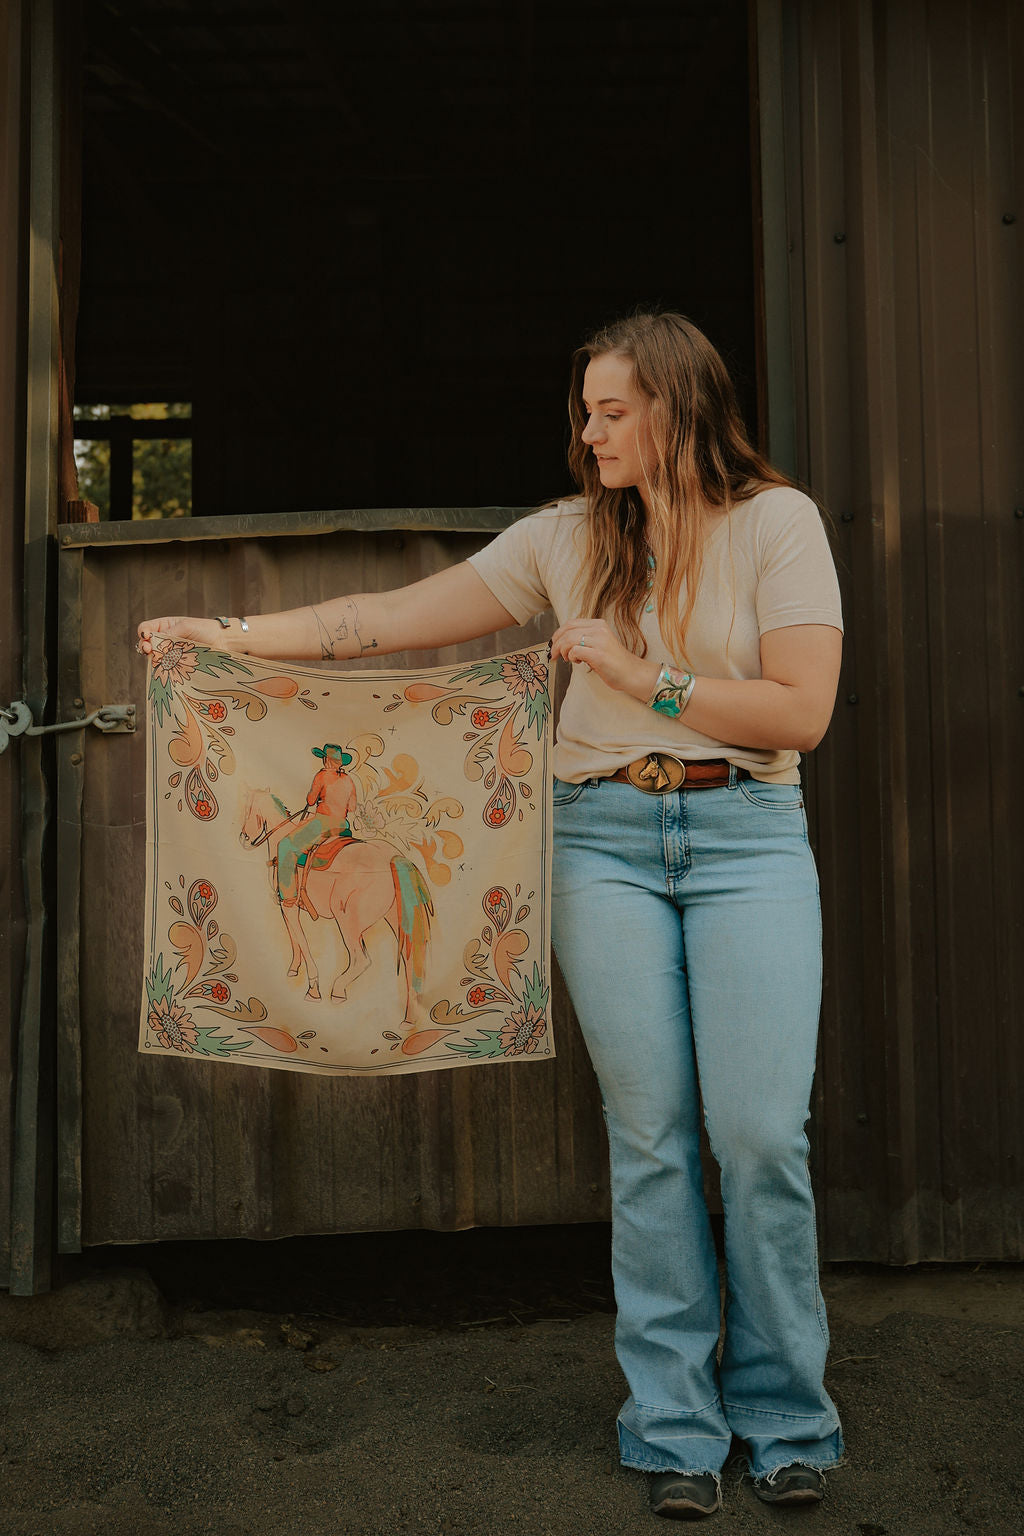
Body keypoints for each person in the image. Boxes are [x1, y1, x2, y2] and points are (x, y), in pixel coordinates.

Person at [138, 311, 844, 1520]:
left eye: (611, 410)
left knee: (762, 1137)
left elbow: (800, 714)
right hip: (604, 846)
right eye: (585, 410)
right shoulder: (564, 538)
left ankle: (784, 1415)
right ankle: (674, 1428)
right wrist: (231, 637)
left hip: (745, 842)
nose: (589, 430)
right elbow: (391, 616)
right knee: (654, 1138)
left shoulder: (778, 525)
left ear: (676, 406)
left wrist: (640, 678)